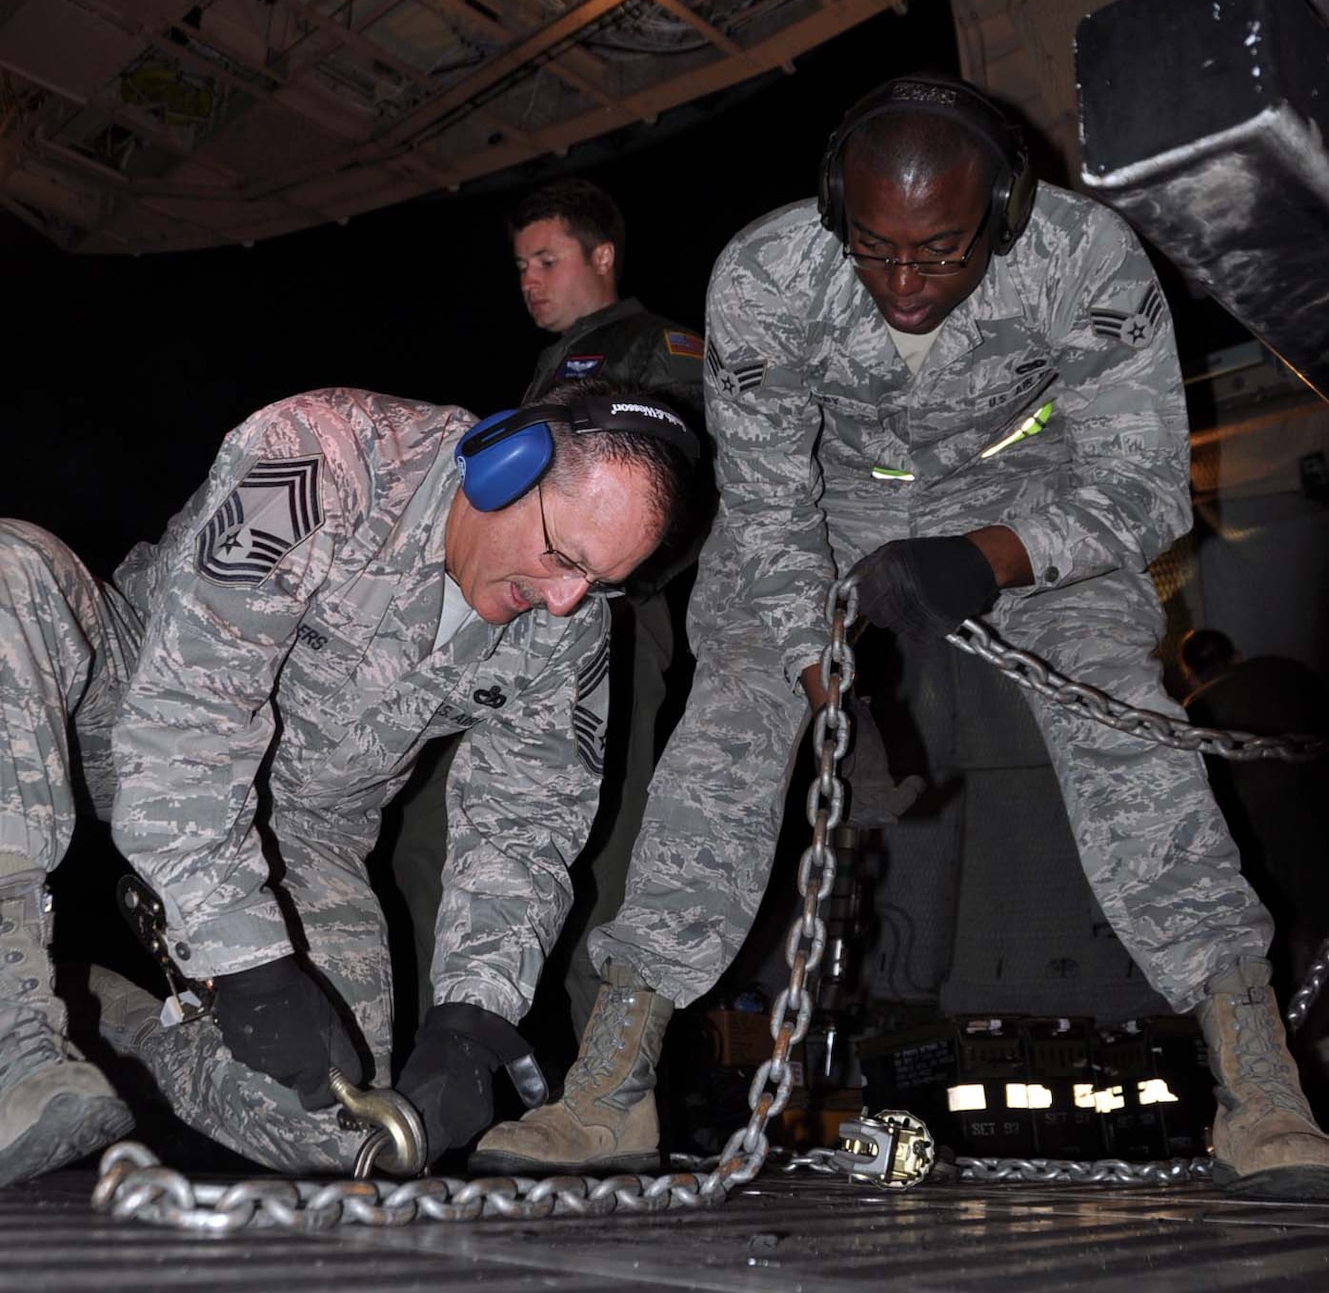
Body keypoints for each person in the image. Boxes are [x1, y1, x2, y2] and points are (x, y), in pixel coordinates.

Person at [478, 73, 1329, 1200]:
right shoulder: (770, 276)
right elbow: (771, 505)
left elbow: (1140, 486)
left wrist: (988, 556)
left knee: (1132, 731)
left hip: (1029, 503)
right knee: (729, 723)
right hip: (829, 509)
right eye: (876, 251)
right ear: (838, 212)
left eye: (939, 254)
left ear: (1006, 212)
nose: (905, 285)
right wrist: (818, 668)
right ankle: (612, 1080)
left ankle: (1259, 1085)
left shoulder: (1087, 259)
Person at [0, 381, 696, 1184]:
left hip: (302, 823)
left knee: (345, 1134)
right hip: (126, 701)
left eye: (601, 582)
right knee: (12, 566)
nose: (568, 599)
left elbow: (525, 824)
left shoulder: (571, 623)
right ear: (501, 469)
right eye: (564, 558)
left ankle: (107, 1024)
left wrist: (472, 1016)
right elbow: (187, 716)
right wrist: (247, 959)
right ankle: (16, 1044)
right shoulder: (324, 457)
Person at [392, 180, 706, 1107]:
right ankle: (444, 1073)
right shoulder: (557, 367)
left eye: (547, 260)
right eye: (520, 266)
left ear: (602, 257)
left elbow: (685, 494)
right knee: (430, 835)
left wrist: (608, 585)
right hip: (515, 625)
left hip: (603, 620)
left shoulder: (657, 351)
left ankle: (600, 1103)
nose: (529, 281)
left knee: (601, 848)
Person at [1180, 627, 1329, 998]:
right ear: (1238, 655)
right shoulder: (1286, 673)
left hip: (1250, 834)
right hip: (1312, 808)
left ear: (1189, 673)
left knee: (1281, 929)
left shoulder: (1190, 713)